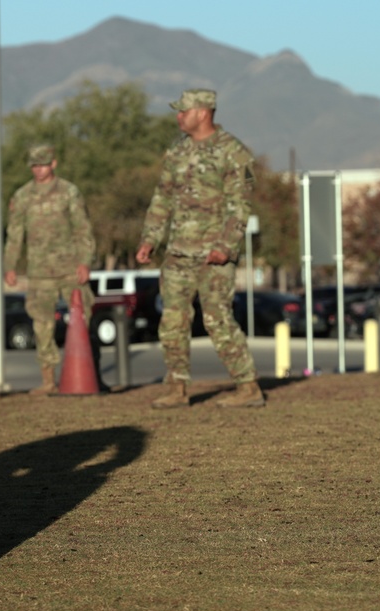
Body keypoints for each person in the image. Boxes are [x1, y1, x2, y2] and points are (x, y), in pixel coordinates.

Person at [136, 89, 264, 409]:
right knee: (172, 321)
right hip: (179, 253)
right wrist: (150, 239)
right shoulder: (177, 152)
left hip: (213, 256)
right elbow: (162, 199)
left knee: (217, 319)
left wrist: (225, 246)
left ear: (204, 112)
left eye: (184, 111)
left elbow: (239, 206)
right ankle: (177, 389)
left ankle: (248, 387)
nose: (179, 116)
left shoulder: (233, 152)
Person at [4, 144, 97, 395]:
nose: (39, 169)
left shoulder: (69, 192)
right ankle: (48, 381)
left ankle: (88, 373)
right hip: (39, 272)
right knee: (42, 326)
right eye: (34, 165)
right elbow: (15, 235)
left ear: (53, 163)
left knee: (83, 319)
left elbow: (82, 229)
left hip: (70, 268)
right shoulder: (22, 196)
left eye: (43, 164)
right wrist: (10, 266)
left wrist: (85, 261)